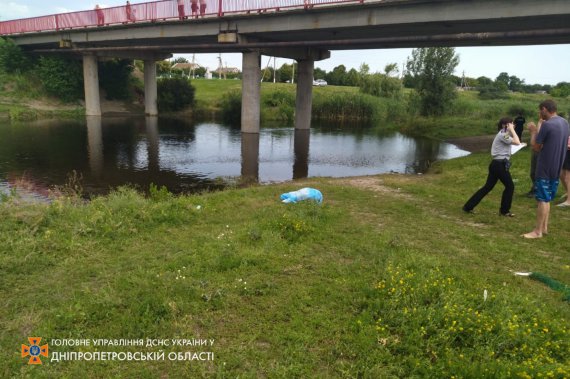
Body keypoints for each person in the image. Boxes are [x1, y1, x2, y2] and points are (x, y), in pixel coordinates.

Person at [523, 99, 570, 238]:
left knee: (542, 199)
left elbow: (536, 147)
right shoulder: (564, 122)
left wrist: (533, 131)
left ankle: (537, 232)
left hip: (545, 166)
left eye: (540, 110)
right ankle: (544, 227)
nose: (539, 113)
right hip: (557, 165)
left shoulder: (547, 125)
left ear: (545, 109)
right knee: (548, 197)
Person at [463, 117, 521, 216]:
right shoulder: (503, 134)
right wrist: (511, 130)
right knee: (510, 186)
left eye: (513, 124)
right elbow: (517, 142)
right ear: (505, 125)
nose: (513, 126)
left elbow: (514, 141)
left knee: (488, 187)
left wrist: (511, 131)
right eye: (511, 124)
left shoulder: (505, 134)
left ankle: (468, 206)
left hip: (497, 164)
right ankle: (504, 211)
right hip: (499, 165)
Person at [556, 134, 570, 207]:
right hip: (566, 150)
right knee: (561, 173)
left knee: (568, 177)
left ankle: (569, 201)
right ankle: (568, 192)